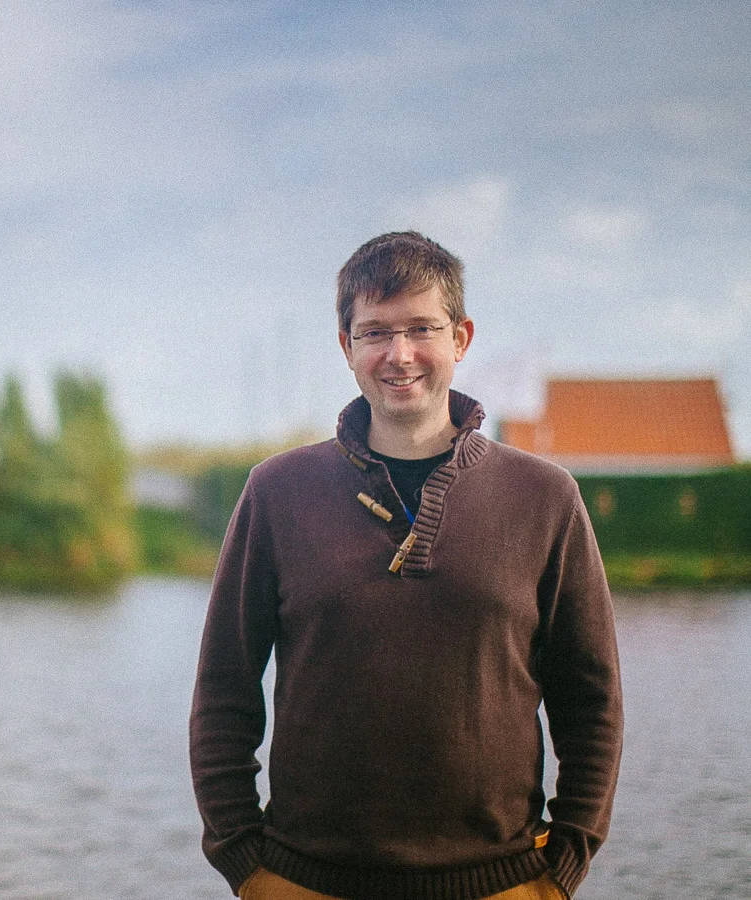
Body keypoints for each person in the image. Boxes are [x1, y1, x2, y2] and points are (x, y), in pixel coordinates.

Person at [190, 232, 622, 900]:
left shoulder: (545, 497)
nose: (400, 354)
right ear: (346, 346)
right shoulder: (276, 492)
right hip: (305, 883)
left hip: (501, 884)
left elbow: (590, 703)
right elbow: (223, 691)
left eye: (423, 327)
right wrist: (245, 863)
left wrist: (561, 871)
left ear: (461, 337)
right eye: (374, 332)